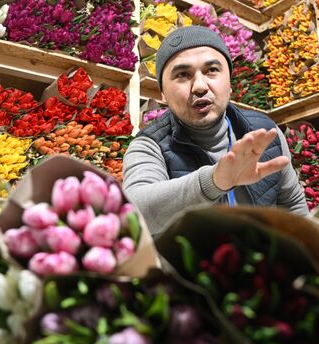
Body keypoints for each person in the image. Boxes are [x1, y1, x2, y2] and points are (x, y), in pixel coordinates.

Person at [123, 26, 308, 236]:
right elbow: (135, 213)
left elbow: (292, 204)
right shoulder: (149, 146)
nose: (200, 86)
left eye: (212, 70)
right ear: (163, 93)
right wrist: (214, 182)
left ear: (229, 83)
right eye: (183, 74)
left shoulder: (265, 132)